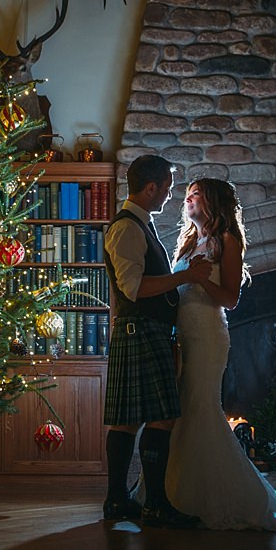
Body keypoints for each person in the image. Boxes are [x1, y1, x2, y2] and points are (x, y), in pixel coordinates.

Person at [160, 177, 276, 531]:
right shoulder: (189, 242)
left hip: (208, 335)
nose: (189, 199)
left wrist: (199, 280)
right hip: (182, 335)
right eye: (188, 194)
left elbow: (229, 298)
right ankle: (174, 493)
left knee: (201, 408)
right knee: (180, 412)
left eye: (197, 194)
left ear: (213, 201)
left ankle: (221, 496)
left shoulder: (228, 240)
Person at [102, 155, 211, 528]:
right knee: (159, 418)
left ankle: (120, 500)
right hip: (141, 331)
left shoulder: (138, 225)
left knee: (128, 423)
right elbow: (133, 289)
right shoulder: (128, 229)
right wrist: (185, 278)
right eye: (165, 187)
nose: (168, 194)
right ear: (150, 187)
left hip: (142, 332)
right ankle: (153, 504)